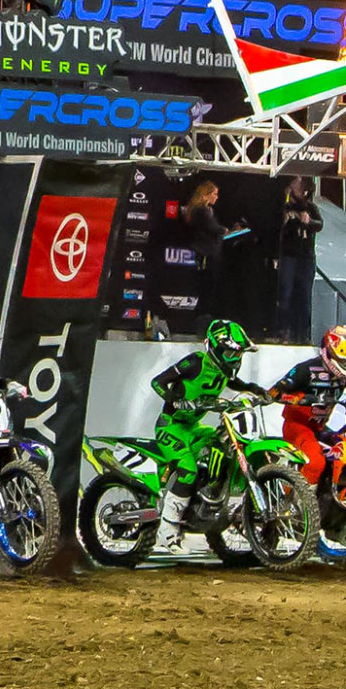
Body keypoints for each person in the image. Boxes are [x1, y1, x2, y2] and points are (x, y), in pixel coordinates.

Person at [148, 320, 266, 551]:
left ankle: (207, 501)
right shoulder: (195, 362)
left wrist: (253, 389)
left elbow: (233, 382)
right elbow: (157, 382)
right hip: (171, 426)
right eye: (231, 352)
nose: (235, 358)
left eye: (238, 353)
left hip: (194, 427)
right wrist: (175, 400)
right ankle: (167, 533)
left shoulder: (222, 371)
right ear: (216, 348)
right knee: (189, 471)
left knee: (221, 445)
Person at [267, 326, 346, 488]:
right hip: (296, 426)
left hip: (321, 428)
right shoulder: (306, 369)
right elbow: (273, 392)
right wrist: (304, 399)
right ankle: (297, 507)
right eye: (343, 361)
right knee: (316, 462)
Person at [277, 177, 323, 342]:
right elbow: (280, 226)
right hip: (289, 255)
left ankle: (303, 333)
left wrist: (308, 222)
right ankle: (284, 331)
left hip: (306, 257)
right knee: (286, 294)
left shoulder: (311, 207)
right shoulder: (286, 206)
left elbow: (319, 224)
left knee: (304, 296)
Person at [182, 180, 229, 320]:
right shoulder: (200, 211)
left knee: (209, 287)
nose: (217, 197)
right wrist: (224, 230)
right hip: (205, 255)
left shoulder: (207, 210)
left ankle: (205, 313)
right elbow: (213, 228)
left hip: (210, 253)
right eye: (214, 194)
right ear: (206, 195)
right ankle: (203, 315)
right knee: (206, 286)